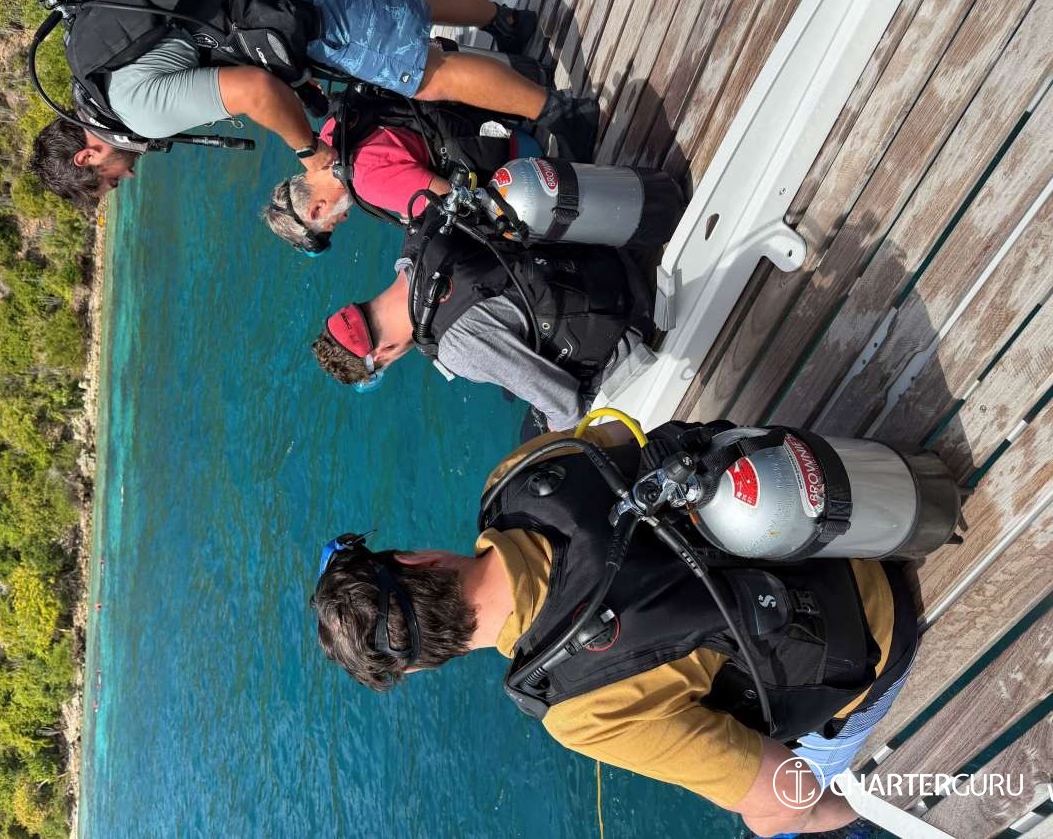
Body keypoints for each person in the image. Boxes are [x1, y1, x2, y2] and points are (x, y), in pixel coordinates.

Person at [310, 421, 921, 838]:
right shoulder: (518, 476)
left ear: (425, 664)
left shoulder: (578, 710)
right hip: (839, 499)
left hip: (880, 627)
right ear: (414, 560)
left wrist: (779, 823)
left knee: (787, 816)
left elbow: (786, 790)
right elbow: (638, 442)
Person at [30, 0, 597, 207]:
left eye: (109, 180)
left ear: (88, 156)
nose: (126, 177)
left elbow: (254, 90)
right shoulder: (94, 65)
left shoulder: (132, 109)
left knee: (423, 74)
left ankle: (562, 113)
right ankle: (508, 22)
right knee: (403, 0)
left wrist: (308, 150)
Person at [310, 178, 683, 431]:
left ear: (382, 354)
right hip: (603, 251)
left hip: (625, 317)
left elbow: (566, 406)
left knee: (537, 439)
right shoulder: (419, 240)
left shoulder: (456, 344)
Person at [262, 86, 555, 254]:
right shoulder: (332, 130)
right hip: (480, 118)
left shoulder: (367, 182)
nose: (344, 218)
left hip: (514, 158)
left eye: (332, 224)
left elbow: (450, 201)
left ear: (316, 210)